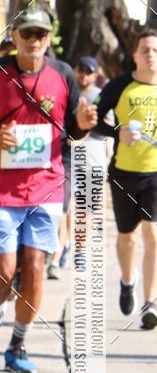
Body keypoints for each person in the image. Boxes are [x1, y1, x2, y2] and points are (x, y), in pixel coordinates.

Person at [0, 8, 97, 372]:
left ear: (48, 38)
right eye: (27, 33)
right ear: (14, 36)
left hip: (47, 187)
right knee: (5, 271)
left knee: (36, 267)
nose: (34, 40)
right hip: (3, 191)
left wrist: (83, 126)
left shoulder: (63, 74)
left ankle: (17, 346)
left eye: (41, 34)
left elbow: (73, 130)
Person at [92, 28, 157, 329]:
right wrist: (116, 132)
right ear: (135, 55)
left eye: (156, 50)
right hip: (124, 172)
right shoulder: (118, 87)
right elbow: (93, 119)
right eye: (145, 50)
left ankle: (150, 303)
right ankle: (127, 279)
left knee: (153, 234)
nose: (150, 55)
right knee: (127, 238)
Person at [47, 56, 103, 280]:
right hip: (67, 157)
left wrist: (85, 128)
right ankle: (57, 255)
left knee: (83, 210)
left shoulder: (100, 96)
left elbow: (108, 127)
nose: (83, 74)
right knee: (63, 209)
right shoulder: (66, 90)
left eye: (89, 71)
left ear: (95, 74)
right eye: (81, 69)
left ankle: (79, 250)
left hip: (92, 159)